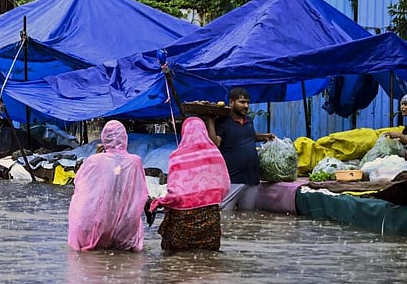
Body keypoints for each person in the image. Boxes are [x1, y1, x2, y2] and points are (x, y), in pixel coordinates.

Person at [150, 117, 231, 251]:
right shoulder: (215, 154)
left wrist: (161, 201)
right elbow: (225, 186)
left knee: (174, 255)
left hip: (182, 222)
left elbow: (175, 194)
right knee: (209, 260)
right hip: (210, 219)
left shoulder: (177, 157)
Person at [67, 120, 148, 252]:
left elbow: (80, 186)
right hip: (125, 230)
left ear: (104, 138)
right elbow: (140, 194)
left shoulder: (93, 160)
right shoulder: (135, 162)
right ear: (125, 138)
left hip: (93, 226)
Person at [206, 87, 274, 212]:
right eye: (242, 102)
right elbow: (215, 144)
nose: (246, 106)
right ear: (231, 102)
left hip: (252, 178)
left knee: (248, 217)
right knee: (224, 214)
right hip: (233, 178)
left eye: (248, 102)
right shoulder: (222, 122)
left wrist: (265, 136)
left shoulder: (248, 121)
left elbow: (250, 136)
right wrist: (210, 120)